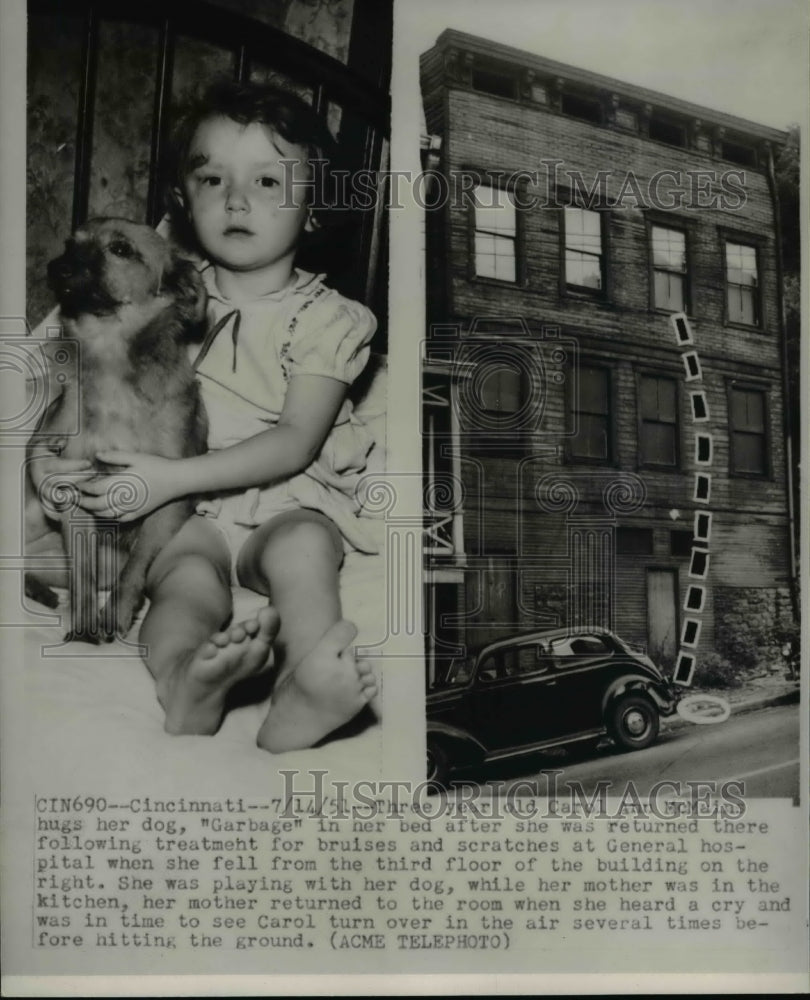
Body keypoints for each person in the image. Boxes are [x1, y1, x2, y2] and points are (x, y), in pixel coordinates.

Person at [70, 81, 380, 752]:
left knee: (303, 552)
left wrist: (170, 478)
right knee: (181, 583)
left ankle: (303, 690)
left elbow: (297, 440)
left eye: (269, 181)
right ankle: (186, 679)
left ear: (315, 208)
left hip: (289, 500)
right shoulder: (169, 291)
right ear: (181, 204)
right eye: (212, 177)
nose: (237, 199)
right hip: (191, 513)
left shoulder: (328, 321)